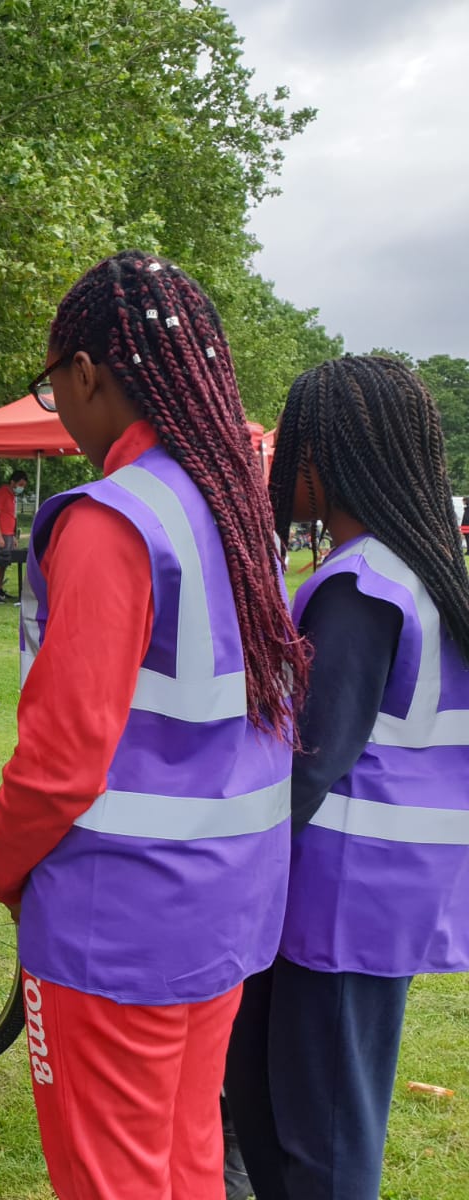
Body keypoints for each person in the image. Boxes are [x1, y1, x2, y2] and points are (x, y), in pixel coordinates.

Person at [0, 250, 310, 1199]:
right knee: (188, 1157)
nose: (59, 411)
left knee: (110, 1177)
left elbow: (61, 759)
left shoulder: (113, 518)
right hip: (227, 910)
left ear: (85, 374)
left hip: (113, 927)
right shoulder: (234, 508)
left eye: (53, 388)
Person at [224, 356, 469, 1200]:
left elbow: (309, 762)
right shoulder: (417, 568)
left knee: (321, 1145)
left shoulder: (362, 585)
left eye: (290, 446)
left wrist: (221, 863)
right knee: (278, 1110)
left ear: (328, 459)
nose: (278, 465)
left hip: (338, 900)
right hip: (379, 890)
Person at [0, 469, 30, 600]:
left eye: (23, 486)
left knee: (4, 561)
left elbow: (11, 517)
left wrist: (13, 536)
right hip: (0, 534)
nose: (21, 488)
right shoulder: (1, 494)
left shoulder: (12, 497)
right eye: (20, 484)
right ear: (13, 482)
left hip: (8, 534)